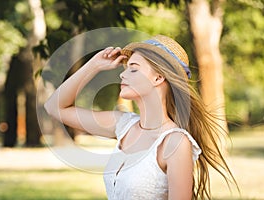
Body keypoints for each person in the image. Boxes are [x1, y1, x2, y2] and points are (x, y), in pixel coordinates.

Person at [44, 35, 237, 199]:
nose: (122, 75)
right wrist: (93, 65)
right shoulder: (123, 125)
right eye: (126, 68)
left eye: (133, 68)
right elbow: (54, 106)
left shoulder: (175, 143)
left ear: (158, 77)